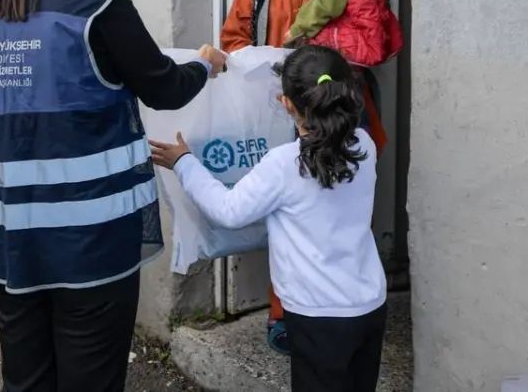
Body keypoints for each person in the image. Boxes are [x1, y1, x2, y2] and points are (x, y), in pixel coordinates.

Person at [0, 0, 227, 392]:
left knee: (27, 381)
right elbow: (163, 86)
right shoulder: (97, 5)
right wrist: (206, 66)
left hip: (12, 243)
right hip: (93, 246)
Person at [149, 45, 388, 392]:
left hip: (317, 316)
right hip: (369, 305)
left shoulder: (285, 164)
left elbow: (229, 211)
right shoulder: (364, 146)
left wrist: (185, 163)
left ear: (286, 103)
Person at [218, 0, 386, 355]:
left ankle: (340, 308)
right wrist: (263, 62)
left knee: (336, 205)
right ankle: (285, 312)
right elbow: (233, 39)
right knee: (289, 213)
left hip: (331, 104)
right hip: (276, 105)